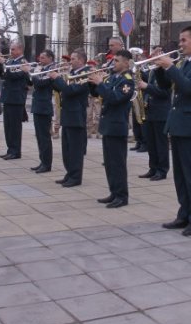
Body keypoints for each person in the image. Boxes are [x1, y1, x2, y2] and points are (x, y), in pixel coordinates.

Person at [155, 26, 191, 236]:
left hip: (189, 126)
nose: (180, 44)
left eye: (183, 40)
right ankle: (184, 214)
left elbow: (189, 87)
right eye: (179, 41)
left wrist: (171, 67)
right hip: (178, 123)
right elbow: (165, 86)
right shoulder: (185, 62)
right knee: (179, 175)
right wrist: (160, 68)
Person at [90, 49, 135, 208]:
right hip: (108, 126)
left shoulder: (127, 80)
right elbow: (98, 94)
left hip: (117, 127)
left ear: (126, 63)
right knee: (109, 163)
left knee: (118, 163)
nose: (113, 63)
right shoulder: (113, 77)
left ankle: (122, 196)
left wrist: (101, 84)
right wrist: (93, 83)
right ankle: (114, 192)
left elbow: (115, 98)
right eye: (113, 60)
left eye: (116, 61)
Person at [50, 50, 91, 187]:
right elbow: (60, 89)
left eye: (73, 59)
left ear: (81, 60)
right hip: (68, 114)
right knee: (66, 149)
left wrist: (58, 79)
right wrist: (52, 79)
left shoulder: (84, 74)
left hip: (76, 115)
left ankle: (76, 177)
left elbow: (70, 90)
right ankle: (69, 173)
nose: (70, 61)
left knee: (75, 150)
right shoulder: (73, 73)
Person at [137, 46, 171, 182]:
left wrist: (147, 87)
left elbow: (165, 93)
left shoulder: (167, 72)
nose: (154, 56)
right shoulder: (152, 71)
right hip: (149, 109)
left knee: (160, 143)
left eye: (157, 54)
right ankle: (153, 168)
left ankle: (162, 170)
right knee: (151, 142)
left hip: (161, 111)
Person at [0, 42, 30, 160]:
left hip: (16, 98)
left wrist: (4, 63)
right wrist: (2, 64)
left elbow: (14, 76)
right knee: (8, 126)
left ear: (20, 50)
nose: (10, 51)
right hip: (8, 97)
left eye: (13, 49)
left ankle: (16, 151)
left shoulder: (23, 62)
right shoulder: (11, 61)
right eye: (11, 49)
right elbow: (3, 75)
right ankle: (10, 149)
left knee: (15, 127)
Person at [31, 50, 57, 173]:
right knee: (39, 137)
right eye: (40, 57)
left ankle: (47, 164)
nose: (40, 60)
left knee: (45, 137)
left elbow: (40, 84)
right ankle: (42, 161)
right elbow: (31, 83)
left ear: (50, 58)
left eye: (43, 58)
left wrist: (33, 73)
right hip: (38, 105)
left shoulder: (52, 70)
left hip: (44, 107)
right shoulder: (41, 69)